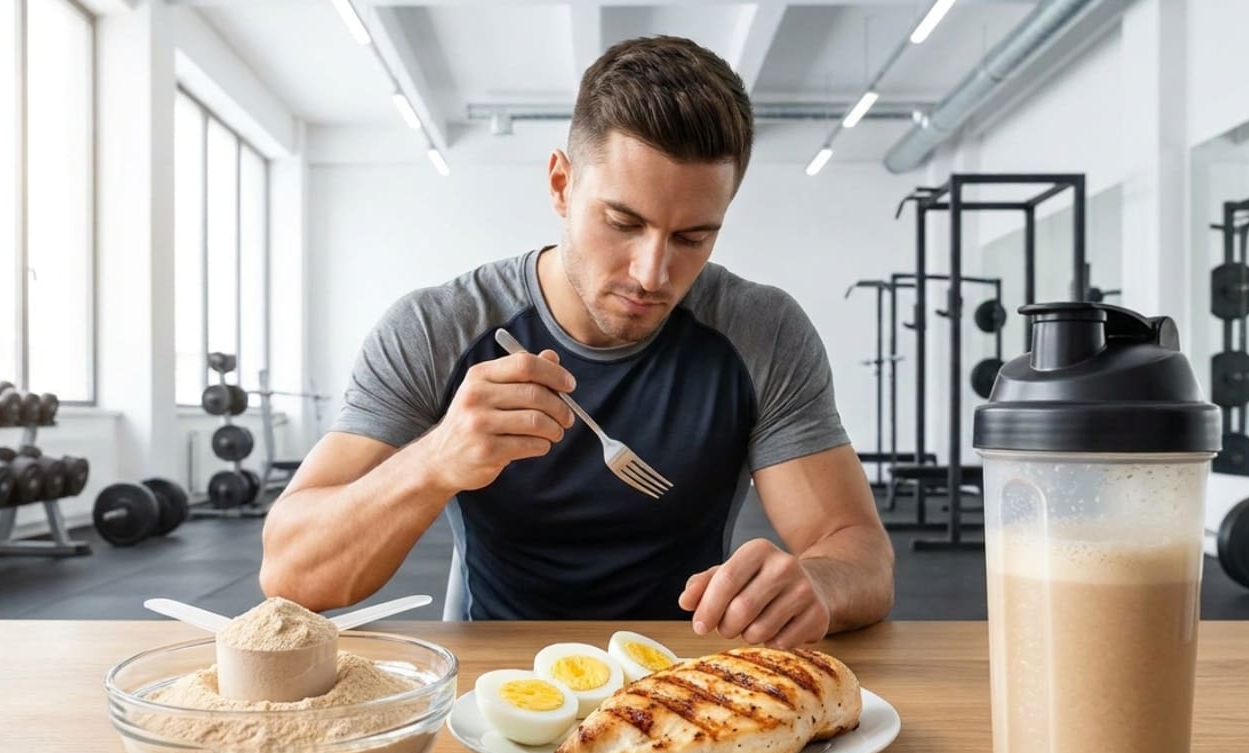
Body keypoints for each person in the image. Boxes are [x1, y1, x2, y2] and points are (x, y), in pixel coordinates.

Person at [260, 35, 894, 648]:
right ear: (562, 186)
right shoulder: (437, 328)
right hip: (496, 680)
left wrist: (816, 582)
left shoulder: (762, 331)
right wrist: (435, 461)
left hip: (683, 680)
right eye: (624, 223)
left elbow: (860, 553)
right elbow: (292, 572)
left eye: (693, 237)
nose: (653, 273)